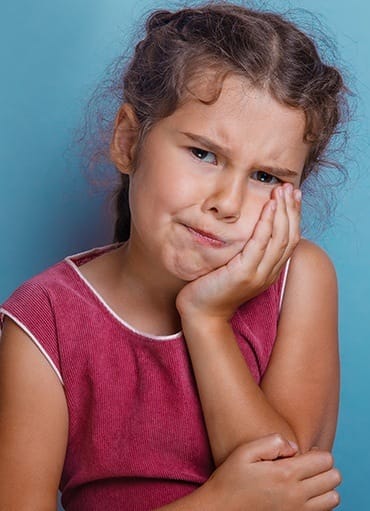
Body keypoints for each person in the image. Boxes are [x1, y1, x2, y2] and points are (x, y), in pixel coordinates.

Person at [0, 2, 347, 510]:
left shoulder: (301, 280)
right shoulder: (44, 319)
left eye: (266, 177)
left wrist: (207, 318)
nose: (226, 204)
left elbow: (288, 492)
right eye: (203, 153)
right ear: (127, 141)